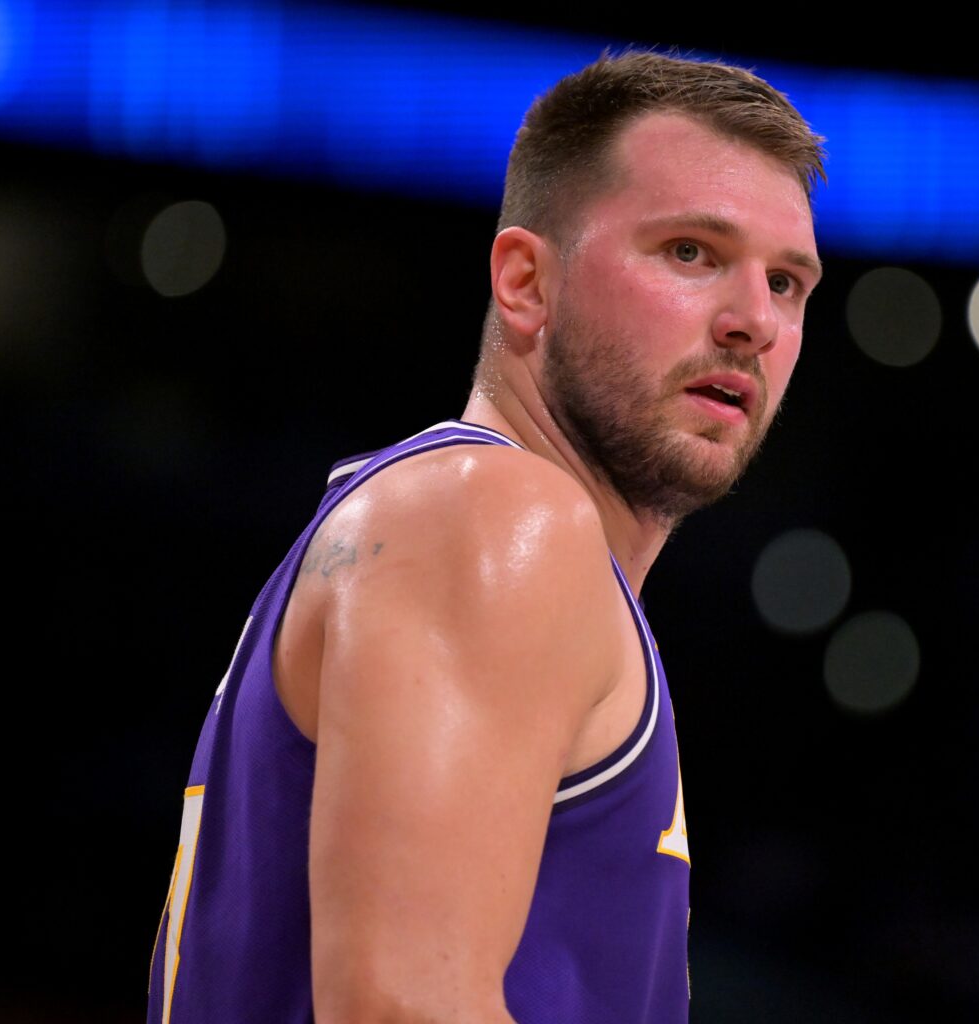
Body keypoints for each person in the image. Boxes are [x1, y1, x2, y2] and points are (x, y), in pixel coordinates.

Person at [147, 49, 825, 1024]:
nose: (753, 321)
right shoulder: (493, 515)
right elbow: (401, 1008)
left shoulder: (444, 526)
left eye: (789, 283)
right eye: (691, 252)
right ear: (524, 282)